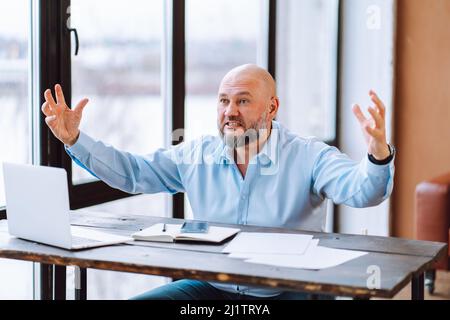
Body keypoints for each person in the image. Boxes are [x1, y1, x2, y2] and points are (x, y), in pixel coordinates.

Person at [41, 64, 395, 300]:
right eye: (224, 100)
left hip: (286, 292)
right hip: (210, 290)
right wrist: (75, 140)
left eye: (243, 101)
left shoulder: (308, 156)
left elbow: (363, 190)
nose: (230, 111)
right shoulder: (197, 154)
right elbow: (133, 172)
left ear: (272, 108)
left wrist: (378, 153)